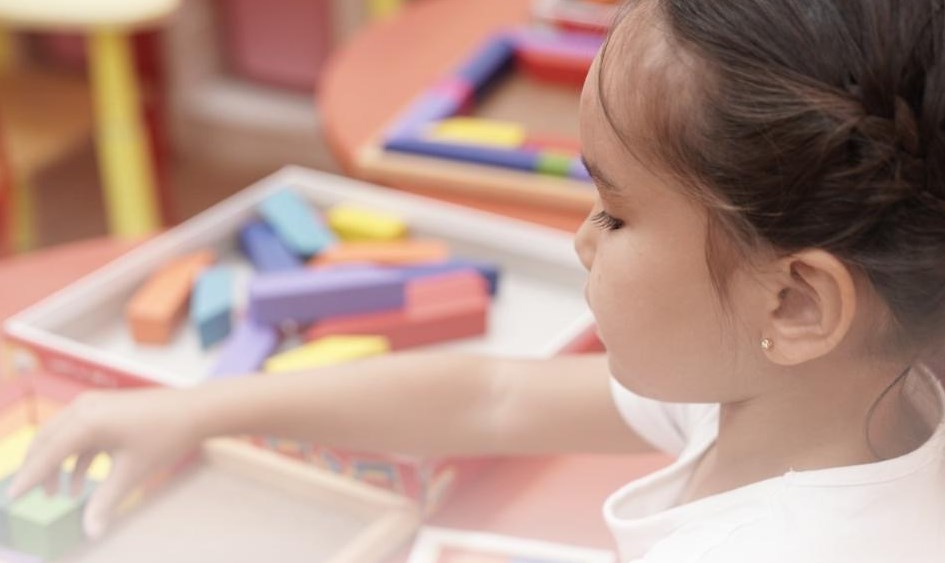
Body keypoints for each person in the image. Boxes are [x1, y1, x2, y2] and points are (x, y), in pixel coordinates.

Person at [9, 1, 945, 560]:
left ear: (795, 300)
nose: (580, 240)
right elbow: (492, 395)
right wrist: (199, 410)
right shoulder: (800, 394)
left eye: (615, 214)